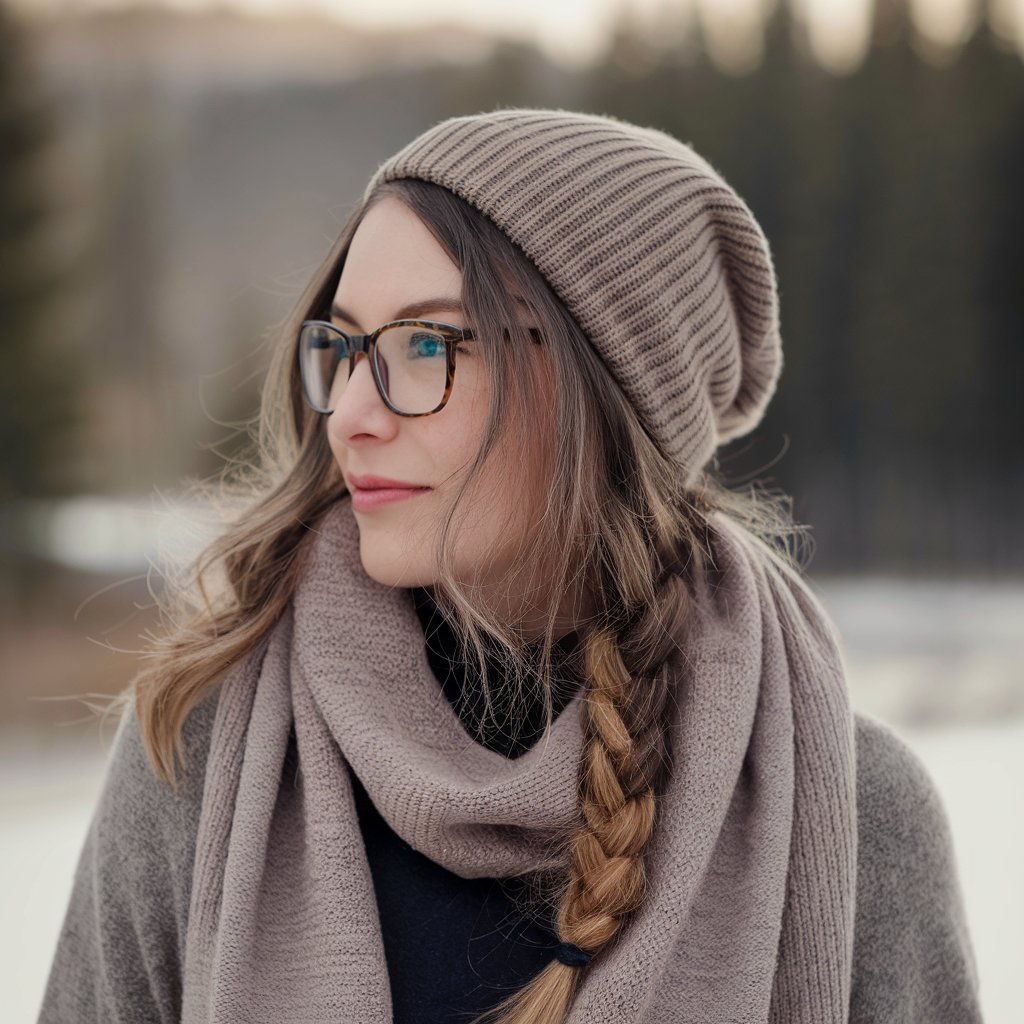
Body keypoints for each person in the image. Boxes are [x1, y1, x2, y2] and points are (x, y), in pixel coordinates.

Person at [37, 108, 982, 1024]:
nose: (353, 415)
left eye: (425, 345)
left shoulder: (849, 814)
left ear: (601, 390)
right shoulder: (207, 751)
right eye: (344, 347)